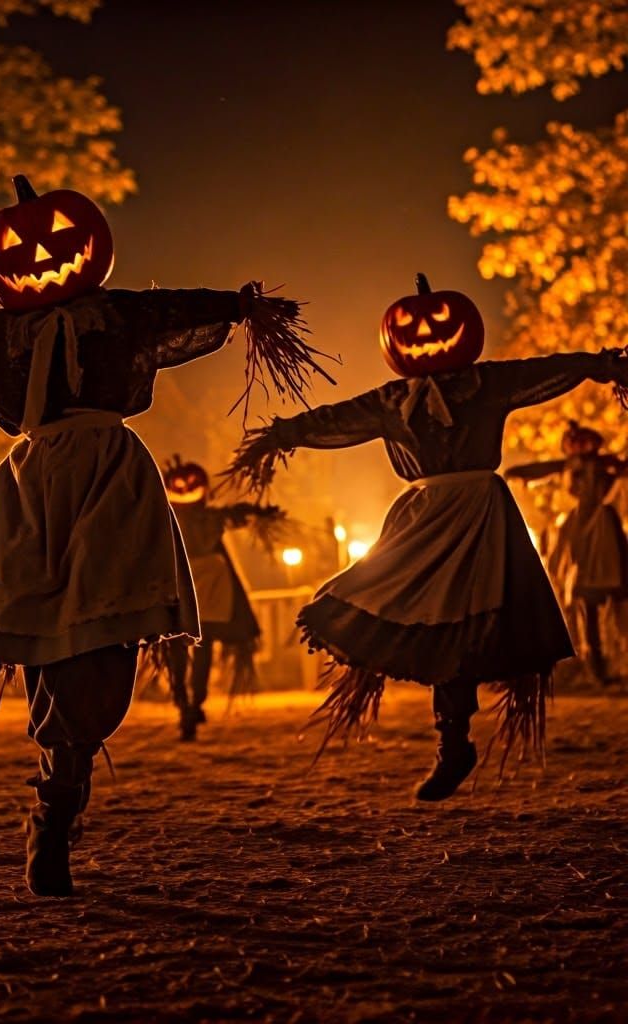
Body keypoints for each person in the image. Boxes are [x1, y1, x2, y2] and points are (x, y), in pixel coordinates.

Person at [0, 174, 330, 896]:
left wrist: (240, 308)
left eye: (58, 239)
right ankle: (55, 797)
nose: (42, 252)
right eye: (22, 245)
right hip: (35, 485)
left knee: (101, 647)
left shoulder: (120, 317)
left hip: (111, 480)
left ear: (89, 244)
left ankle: (62, 782)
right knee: (47, 636)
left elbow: (181, 310)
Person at [230, 272, 628, 801]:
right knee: (411, 608)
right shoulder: (393, 400)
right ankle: (452, 740)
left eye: (439, 321)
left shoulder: (487, 384)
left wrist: (600, 365)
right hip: (423, 518)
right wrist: (282, 434)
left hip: (481, 514)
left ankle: (453, 741)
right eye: (411, 327)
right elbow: (337, 418)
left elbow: (546, 370)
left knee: (465, 623)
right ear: (395, 341)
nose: (427, 332)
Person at [161, 456, 280, 740]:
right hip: (185, 586)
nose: (185, 488)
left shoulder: (198, 518)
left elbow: (237, 514)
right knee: (188, 648)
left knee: (190, 647)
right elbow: (236, 514)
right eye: (179, 484)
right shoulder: (168, 518)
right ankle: (187, 703)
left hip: (202, 587)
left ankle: (190, 703)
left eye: (190, 483)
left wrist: (258, 513)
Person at [506, 422, 628, 683]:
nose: (578, 448)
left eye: (583, 442)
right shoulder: (569, 469)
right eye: (574, 443)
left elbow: (619, 471)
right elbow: (544, 468)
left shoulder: (605, 466)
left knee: (614, 597)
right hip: (582, 535)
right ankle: (597, 668)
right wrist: (519, 473)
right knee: (586, 601)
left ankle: (611, 663)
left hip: (604, 534)